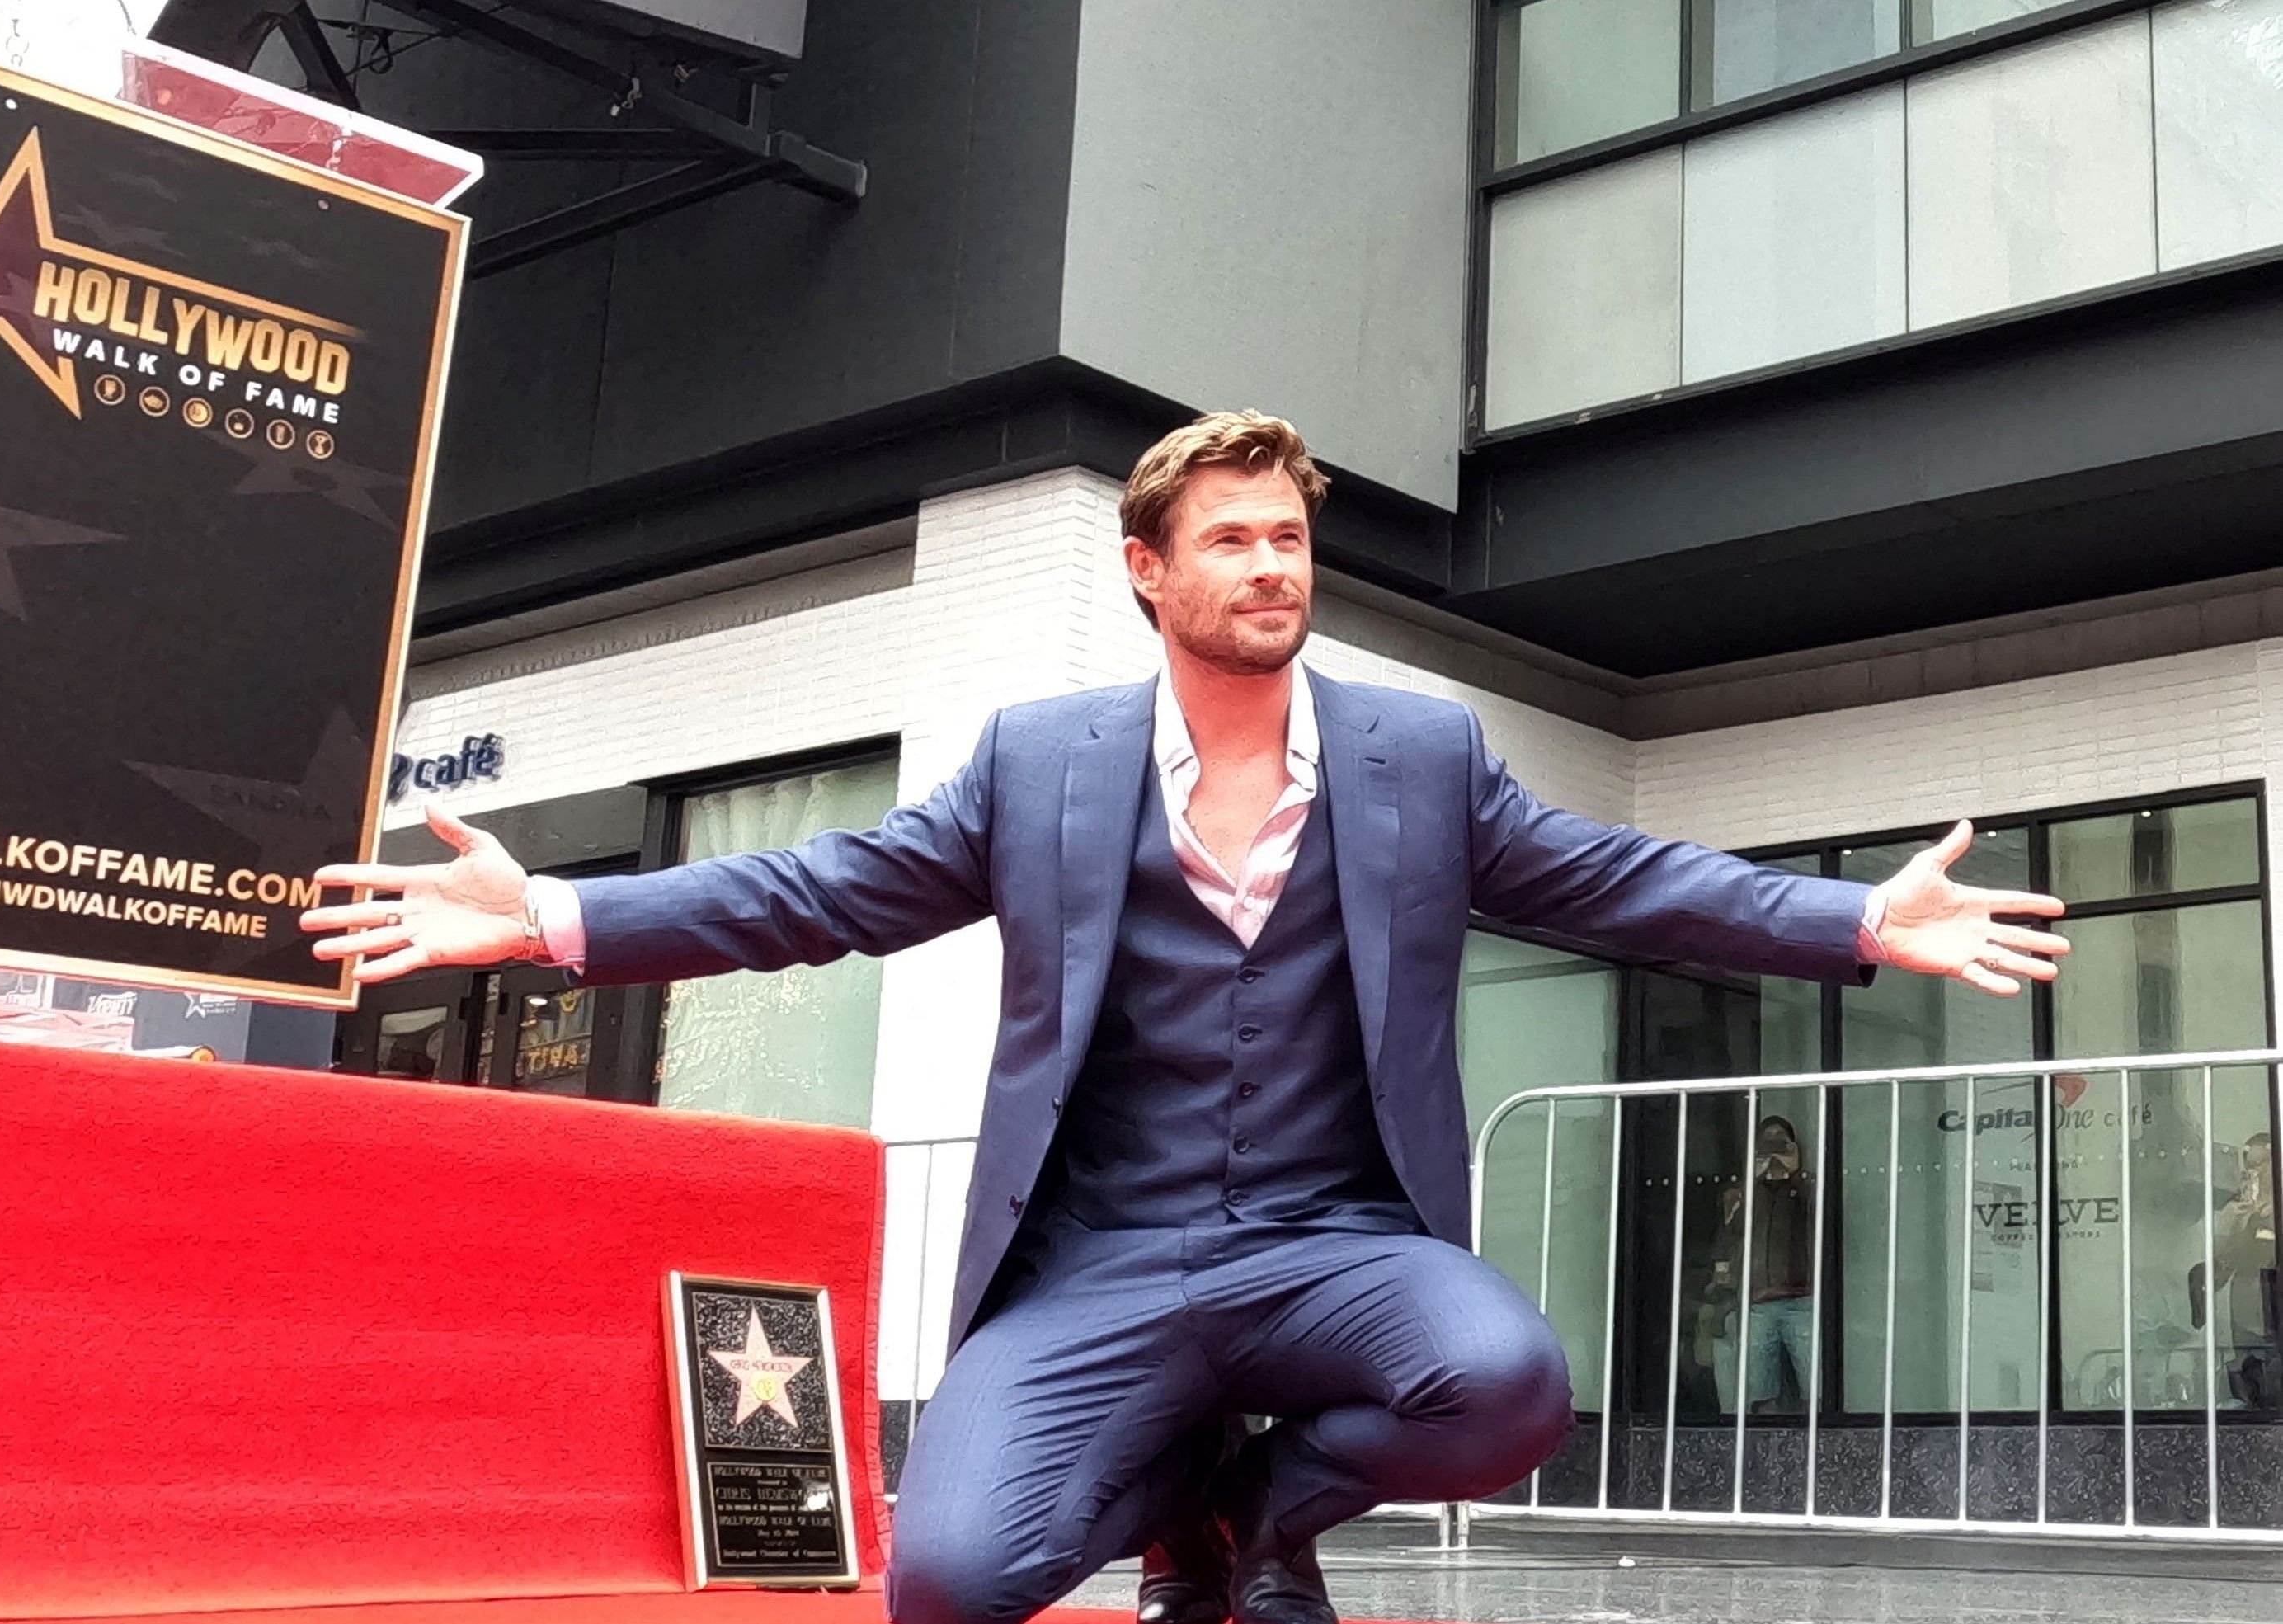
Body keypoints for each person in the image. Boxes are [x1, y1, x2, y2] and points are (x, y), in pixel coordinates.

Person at [303, 412, 2071, 1624]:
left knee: (1507, 1380)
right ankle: (1177, 1498)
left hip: (1333, 1244)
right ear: (1148, 571)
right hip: (1102, 1260)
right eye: (1226, 537)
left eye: (1288, 536)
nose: (1269, 563)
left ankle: (1255, 1514)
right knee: (948, 1583)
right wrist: (546, 915)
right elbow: (815, 889)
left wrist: (1851, 917)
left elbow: (1612, 881)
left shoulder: (1420, 760)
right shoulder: (1036, 763)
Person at [1712, 1115, 1816, 1413]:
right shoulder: (1741, 1193)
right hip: (1758, 1301)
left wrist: (1795, 1176)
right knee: (1760, 1392)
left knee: (1815, 1387)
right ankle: (1764, 1441)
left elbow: (1822, 1224)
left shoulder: (1807, 1190)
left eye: (1781, 1144)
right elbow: (1728, 1240)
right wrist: (1752, 1182)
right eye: (1765, 1146)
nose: (1773, 1153)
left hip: (1802, 1299)